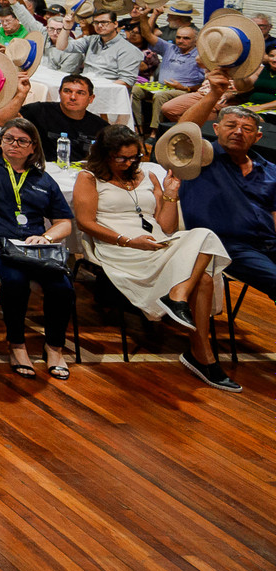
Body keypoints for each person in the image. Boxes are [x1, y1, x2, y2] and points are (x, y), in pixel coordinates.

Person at [73, 126, 236, 390]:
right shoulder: (89, 177)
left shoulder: (147, 175)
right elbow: (84, 222)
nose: (129, 163)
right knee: (204, 280)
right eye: (122, 158)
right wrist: (128, 240)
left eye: (134, 157)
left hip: (157, 243)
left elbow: (166, 227)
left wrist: (171, 193)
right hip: (119, 247)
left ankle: (178, 296)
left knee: (205, 235)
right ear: (105, 155)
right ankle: (202, 354)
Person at [0, 118, 76, 379]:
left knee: (62, 286)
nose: (14, 145)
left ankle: (54, 348)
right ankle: (17, 344)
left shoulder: (42, 179)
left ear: (33, 147)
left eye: (22, 141)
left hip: (32, 247)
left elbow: (64, 223)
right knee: (14, 280)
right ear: (1, 142)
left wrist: (46, 237)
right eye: (8, 139)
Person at [176, 106, 276, 305]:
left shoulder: (271, 170)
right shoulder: (200, 158)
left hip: (268, 242)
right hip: (226, 245)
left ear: (257, 137)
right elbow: (181, 132)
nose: (238, 132)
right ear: (216, 128)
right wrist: (214, 93)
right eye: (231, 125)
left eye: (247, 129)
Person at [11, 74, 108, 165]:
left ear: (91, 99)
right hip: (43, 171)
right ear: (60, 93)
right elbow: (1, 120)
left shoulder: (101, 127)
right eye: (67, 91)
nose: (73, 97)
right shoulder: (41, 111)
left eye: (80, 93)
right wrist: (21, 94)